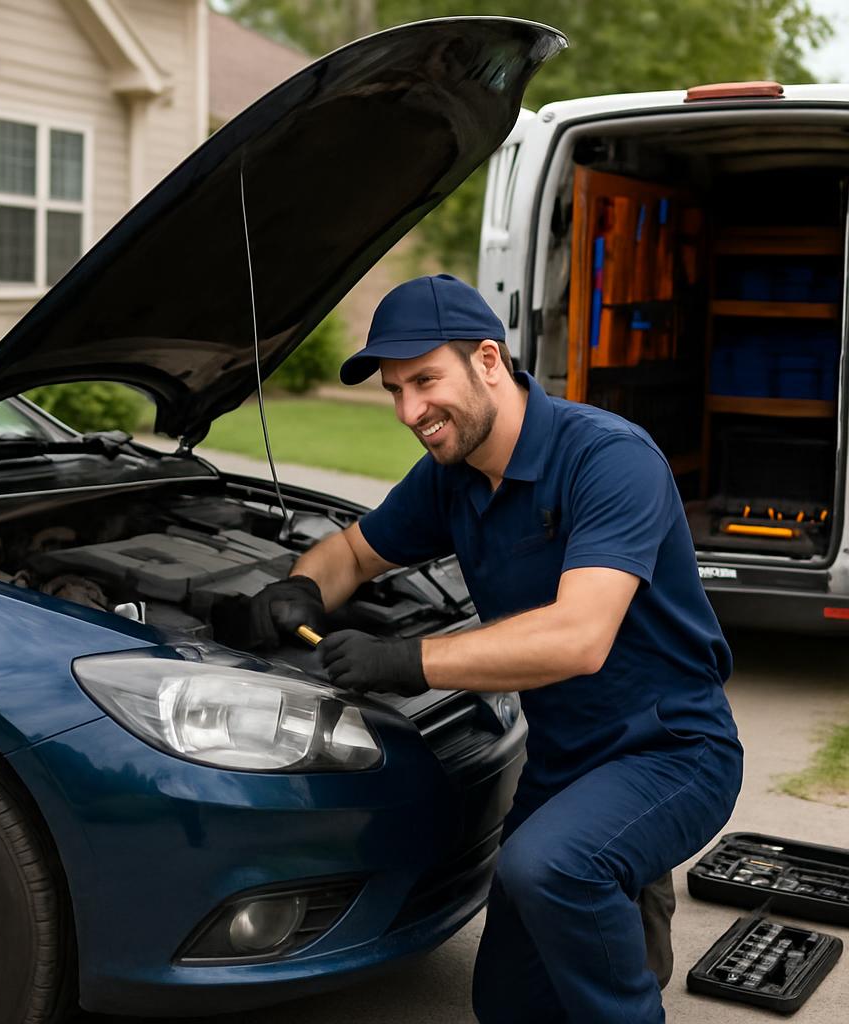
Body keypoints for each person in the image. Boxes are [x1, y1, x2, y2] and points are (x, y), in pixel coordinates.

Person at [241, 274, 742, 1023]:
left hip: (673, 752)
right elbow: (352, 551)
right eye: (394, 391)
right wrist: (305, 588)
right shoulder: (454, 476)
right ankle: (620, 894)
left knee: (552, 868)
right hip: (566, 764)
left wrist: (406, 658)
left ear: (486, 360)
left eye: (424, 381)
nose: (411, 411)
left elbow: (578, 638)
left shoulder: (607, 458)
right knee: (508, 1004)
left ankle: (624, 917)